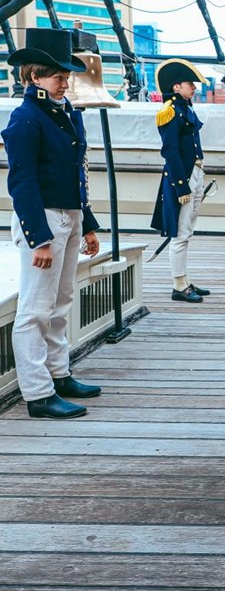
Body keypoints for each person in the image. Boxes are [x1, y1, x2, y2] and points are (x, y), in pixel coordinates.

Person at [1, 28, 102, 419]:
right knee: (35, 307)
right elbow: (21, 183)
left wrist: (87, 223)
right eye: (58, 75)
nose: (66, 82)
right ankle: (38, 394)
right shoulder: (25, 119)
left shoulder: (66, 114)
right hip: (43, 220)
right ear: (33, 76)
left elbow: (77, 173)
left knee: (61, 301)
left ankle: (59, 374)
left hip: (70, 216)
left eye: (67, 75)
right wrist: (39, 239)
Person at [151, 59, 210, 303]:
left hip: (194, 173)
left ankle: (184, 280)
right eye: (190, 84)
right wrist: (181, 186)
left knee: (187, 232)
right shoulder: (169, 112)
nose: (194, 88)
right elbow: (170, 152)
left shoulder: (185, 108)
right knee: (179, 234)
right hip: (183, 177)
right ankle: (179, 285)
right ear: (177, 87)